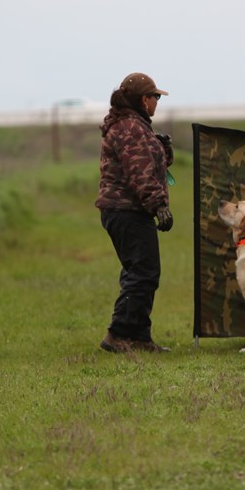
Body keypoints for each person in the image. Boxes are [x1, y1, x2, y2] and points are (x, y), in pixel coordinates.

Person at [95, 72, 174, 353]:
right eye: (155, 97)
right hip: (127, 210)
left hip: (124, 210)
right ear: (144, 99)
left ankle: (139, 337)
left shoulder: (133, 125)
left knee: (143, 272)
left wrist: (163, 150)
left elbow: (147, 164)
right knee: (142, 273)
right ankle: (118, 334)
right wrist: (158, 205)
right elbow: (139, 172)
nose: (157, 102)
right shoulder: (131, 128)